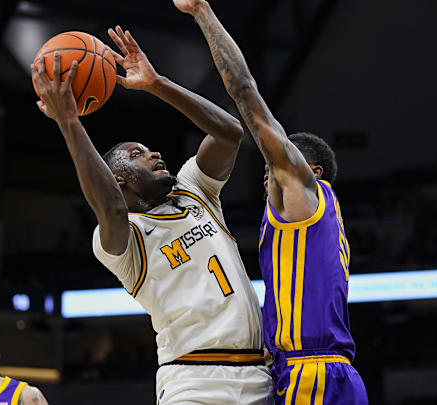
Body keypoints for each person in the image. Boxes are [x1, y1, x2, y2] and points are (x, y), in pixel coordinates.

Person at [31, 26, 272, 404]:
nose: (155, 153)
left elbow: (229, 133)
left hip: (261, 375)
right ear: (119, 179)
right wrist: (69, 121)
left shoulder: (195, 189)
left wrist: (157, 83)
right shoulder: (120, 239)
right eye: (138, 154)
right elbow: (108, 206)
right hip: (194, 382)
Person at [172, 1, 369, 404]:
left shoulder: (304, 197)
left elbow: (244, 91)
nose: (269, 168)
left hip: (312, 374)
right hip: (309, 370)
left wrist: (201, 12)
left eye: (278, 163)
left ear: (310, 171)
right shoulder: (315, 222)